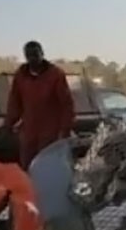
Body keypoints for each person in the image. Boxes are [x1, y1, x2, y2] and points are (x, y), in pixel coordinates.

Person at [4, 41, 75, 169]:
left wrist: (65, 131)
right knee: (28, 168)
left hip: (51, 134)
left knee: (49, 169)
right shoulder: (21, 76)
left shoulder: (56, 75)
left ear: (42, 54)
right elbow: (14, 103)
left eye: (35, 55)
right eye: (29, 56)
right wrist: (8, 125)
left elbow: (67, 105)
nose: (32, 59)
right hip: (29, 134)